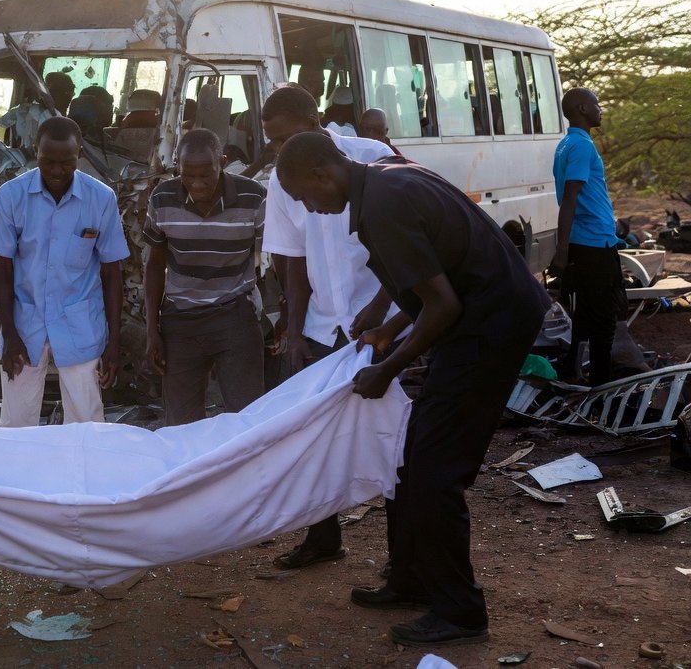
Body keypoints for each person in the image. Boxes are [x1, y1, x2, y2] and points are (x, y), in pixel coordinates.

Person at [276, 132, 551, 647]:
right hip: (480, 314)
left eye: (305, 197)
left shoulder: (383, 205)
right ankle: (410, 578)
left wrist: (388, 367)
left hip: (489, 327)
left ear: (322, 174)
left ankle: (460, 611)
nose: (310, 208)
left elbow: (444, 304)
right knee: (407, 458)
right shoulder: (387, 179)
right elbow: (438, 279)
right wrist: (390, 326)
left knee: (434, 472)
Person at [259, 85, 395, 571]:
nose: (279, 152)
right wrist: (293, 330)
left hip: (380, 321)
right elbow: (291, 259)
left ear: (315, 120)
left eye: (286, 137)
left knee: (392, 435)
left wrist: (384, 307)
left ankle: (404, 560)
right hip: (323, 323)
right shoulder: (281, 179)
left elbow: (409, 244)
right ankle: (323, 537)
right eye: (272, 143)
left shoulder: (373, 157)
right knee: (311, 436)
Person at [0, 116, 129, 427]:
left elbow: (112, 272)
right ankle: (18, 477)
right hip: (25, 326)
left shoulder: (101, 199)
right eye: (48, 161)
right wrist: (9, 334)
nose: (57, 171)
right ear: (35, 150)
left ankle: (82, 476)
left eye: (67, 162)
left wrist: (114, 342)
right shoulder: (11, 196)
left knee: (86, 424)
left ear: (80, 153)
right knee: (16, 425)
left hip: (81, 326)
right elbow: (3, 268)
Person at [143, 129, 266, 425]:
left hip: (235, 315)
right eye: (188, 175)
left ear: (222, 162)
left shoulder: (254, 197)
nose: (197, 185)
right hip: (181, 321)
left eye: (206, 175)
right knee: (181, 425)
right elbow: (155, 265)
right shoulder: (162, 199)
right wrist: (152, 330)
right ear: (178, 169)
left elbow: (279, 257)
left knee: (247, 418)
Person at [550, 87, 625, 386]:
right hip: (594, 242)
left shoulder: (567, 143)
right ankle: (602, 384)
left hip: (588, 238)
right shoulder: (581, 147)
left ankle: (573, 368)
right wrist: (561, 250)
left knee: (585, 312)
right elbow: (570, 198)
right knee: (606, 317)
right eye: (596, 103)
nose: (600, 108)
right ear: (582, 108)